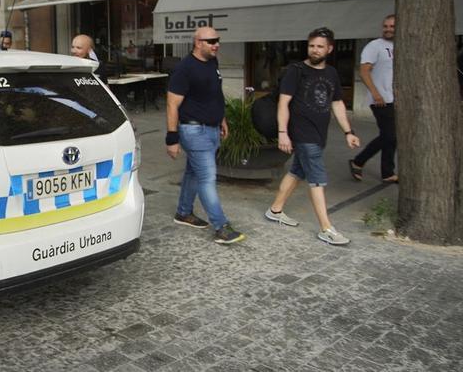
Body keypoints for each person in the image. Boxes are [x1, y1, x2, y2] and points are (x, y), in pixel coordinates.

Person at [266, 27, 360, 246]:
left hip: (319, 134)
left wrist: (349, 131)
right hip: (302, 133)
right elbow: (283, 103)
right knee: (317, 179)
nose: (315, 50)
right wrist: (283, 133)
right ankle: (326, 228)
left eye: (319, 47)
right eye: (311, 46)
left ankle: (275, 210)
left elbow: (337, 103)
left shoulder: (332, 73)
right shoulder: (296, 70)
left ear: (329, 49)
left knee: (297, 171)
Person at [166, 26, 245, 245]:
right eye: (211, 41)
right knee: (207, 178)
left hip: (211, 128)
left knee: (193, 173)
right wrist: (172, 138)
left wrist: (222, 119)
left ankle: (183, 213)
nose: (216, 44)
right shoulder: (185, 69)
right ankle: (221, 226)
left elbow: (213, 93)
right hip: (194, 130)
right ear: (198, 42)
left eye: (217, 40)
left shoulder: (212, 62)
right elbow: (172, 104)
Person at [349, 15, 397, 183]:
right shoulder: (374, 46)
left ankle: (388, 173)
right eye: (385, 26)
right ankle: (358, 161)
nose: (388, 29)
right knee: (390, 135)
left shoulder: (400, 45)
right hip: (380, 99)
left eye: (392, 26)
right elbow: (364, 70)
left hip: (395, 98)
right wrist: (376, 93)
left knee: (391, 136)